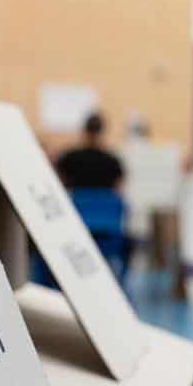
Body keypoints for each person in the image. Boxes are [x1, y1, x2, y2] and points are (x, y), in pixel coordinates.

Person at [55, 111, 131, 281]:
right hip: (108, 232)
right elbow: (119, 189)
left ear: (84, 130)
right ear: (102, 131)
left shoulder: (69, 158)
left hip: (75, 228)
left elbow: (58, 184)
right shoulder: (113, 161)